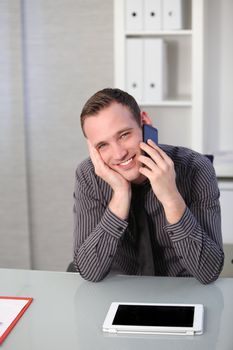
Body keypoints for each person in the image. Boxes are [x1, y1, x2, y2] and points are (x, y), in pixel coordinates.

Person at [73, 88, 224, 283]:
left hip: (182, 293)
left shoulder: (195, 168)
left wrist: (171, 197)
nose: (119, 154)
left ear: (144, 122)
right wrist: (120, 195)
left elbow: (209, 272)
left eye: (124, 135)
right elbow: (89, 271)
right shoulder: (88, 175)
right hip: (118, 292)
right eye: (103, 145)